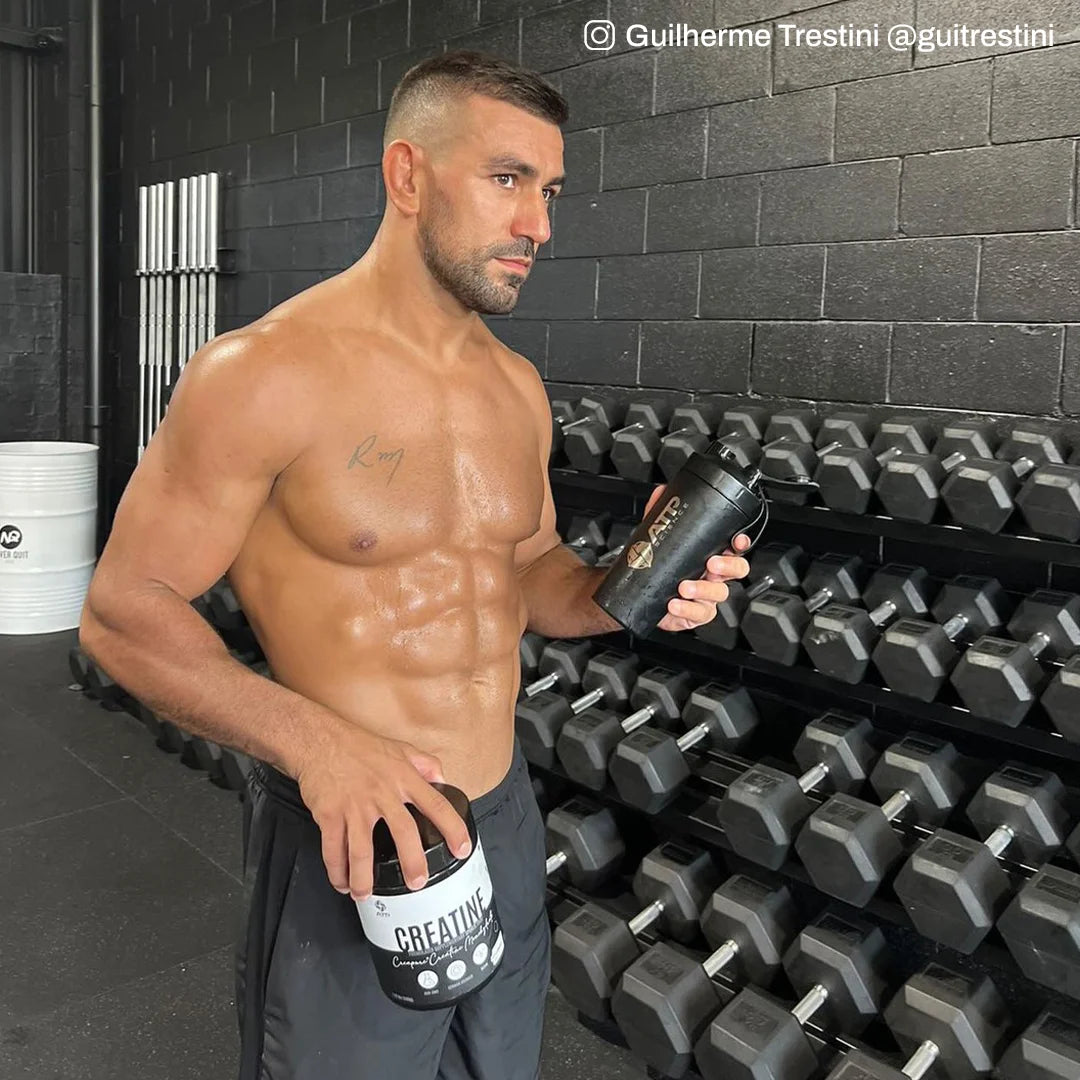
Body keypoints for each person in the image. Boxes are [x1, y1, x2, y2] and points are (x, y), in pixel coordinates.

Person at [78, 50, 751, 1080]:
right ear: (407, 176)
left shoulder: (515, 387)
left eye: (550, 190)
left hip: (502, 817)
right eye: (507, 178)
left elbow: (529, 572)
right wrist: (317, 746)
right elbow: (123, 610)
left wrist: (638, 582)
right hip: (355, 836)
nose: (538, 224)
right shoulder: (263, 375)